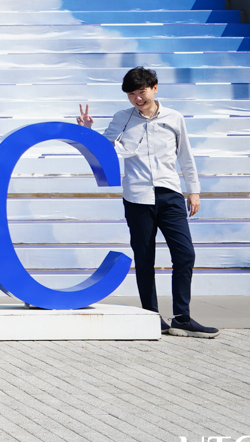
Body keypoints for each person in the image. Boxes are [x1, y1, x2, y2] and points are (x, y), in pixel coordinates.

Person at [76, 66, 217, 338]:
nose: (137, 99)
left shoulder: (174, 118)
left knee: (185, 254)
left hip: (170, 194)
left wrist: (194, 191)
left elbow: (186, 156)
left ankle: (182, 317)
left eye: (141, 92)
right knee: (144, 258)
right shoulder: (122, 118)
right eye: (131, 94)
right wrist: (88, 132)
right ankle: (152, 316)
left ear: (154, 87)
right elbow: (102, 151)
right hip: (137, 197)